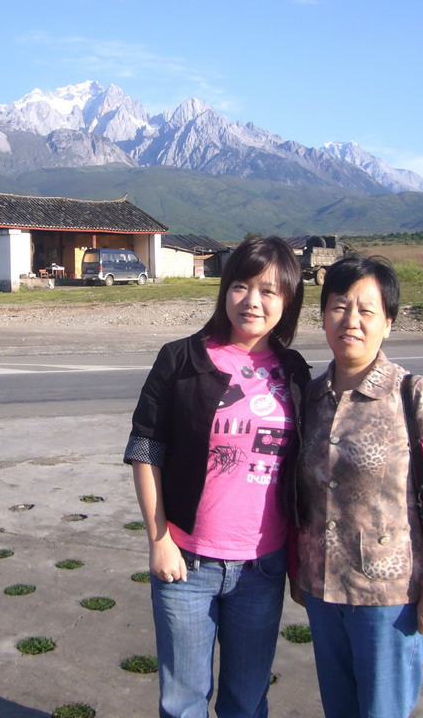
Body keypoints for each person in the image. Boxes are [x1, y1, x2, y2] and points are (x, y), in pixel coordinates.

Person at [124, 236, 312, 718]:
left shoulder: (292, 370)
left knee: (246, 701)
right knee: (182, 700)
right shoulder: (181, 359)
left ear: (287, 300)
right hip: (187, 560)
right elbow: (147, 449)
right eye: (241, 286)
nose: (253, 301)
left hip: (262, 565)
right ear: (223, 290)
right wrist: (159, 538)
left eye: (270, 291)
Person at [286, 253, 423, 718]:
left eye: (366, 310)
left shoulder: (415, 394)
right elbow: (298, 495)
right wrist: (297, 567)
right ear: (324, 317)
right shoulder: (308, 396)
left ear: (388, 322)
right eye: (339, 307)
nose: (351, 321)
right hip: (322, 592)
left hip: (389, 598)